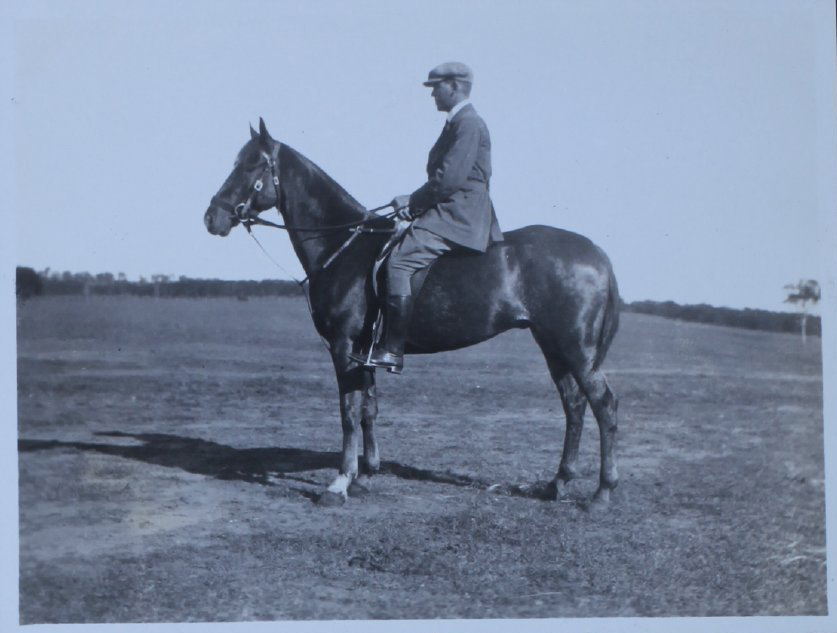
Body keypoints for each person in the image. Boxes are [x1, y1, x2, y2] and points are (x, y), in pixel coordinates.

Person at [355, 61, 503, 374]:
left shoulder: (468, 123)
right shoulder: (458, 122)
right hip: (453, 208)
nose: (432, 93)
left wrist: (414, 201)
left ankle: (393, 349)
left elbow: (449, 179)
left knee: (399, 262)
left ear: (453, 86)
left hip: (459, 213)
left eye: (435, 87)